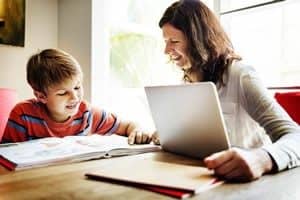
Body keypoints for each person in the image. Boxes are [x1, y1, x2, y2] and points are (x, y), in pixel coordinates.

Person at [159, 0, 300, 182]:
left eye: (174, 41)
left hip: (252, 185)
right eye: (165, 41)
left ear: (198, 41)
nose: (166, 50)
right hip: (204, 179)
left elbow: (295, 136)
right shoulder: (187, 83)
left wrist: (262, 159)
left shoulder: (241, 75)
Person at [2, 48, 153, 145]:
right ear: (41, 96)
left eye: (77, 87)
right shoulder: (22, 116)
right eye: (62, 93)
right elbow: (6, 156)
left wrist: (138, 130)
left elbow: (126, 126)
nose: (75, 97)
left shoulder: (87, 113)